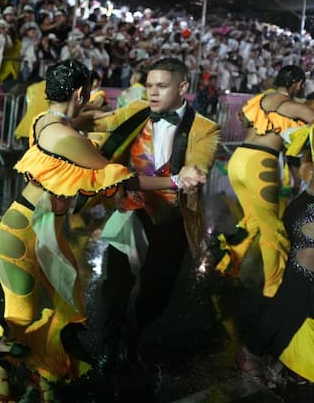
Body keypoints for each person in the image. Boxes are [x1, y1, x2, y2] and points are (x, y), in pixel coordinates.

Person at [0, 60, 204, 403]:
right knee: (24, 316)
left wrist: (90, 116)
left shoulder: (47, 121)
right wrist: (176, 181)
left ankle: (45, 373)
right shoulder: (67, 139)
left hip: (38, 231)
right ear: (81, 93)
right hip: (23, 236)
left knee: (68, 310)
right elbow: (123, 179)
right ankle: (4, 369)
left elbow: (79, 126)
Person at [93, 57, 220, 367]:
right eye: (149, 85)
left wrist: (195, 170)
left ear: (183, 87)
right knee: (116, 284)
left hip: (172, 219)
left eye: (161, 86)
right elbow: (102, 124)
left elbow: (202, 158)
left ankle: (134, 331)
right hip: (130, 211)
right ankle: (110, 348)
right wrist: (61, 118)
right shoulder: (136, 111)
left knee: (157, 293)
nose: (152, 92)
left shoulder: (205, 127)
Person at [213, 65, 314, 298]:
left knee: (253, 221)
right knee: (272, 229)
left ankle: (227, 268)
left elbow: (244, 119)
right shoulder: (291, 106)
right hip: (261, 164)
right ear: (298, 83)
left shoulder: (261, 99)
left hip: (238, 160)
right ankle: (273, 288)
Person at [237, 128, 314, 385]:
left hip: (306, 209)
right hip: (310, 216)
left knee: (301, 289)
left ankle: (267, 353)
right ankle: (254, 351)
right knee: (298, 291)